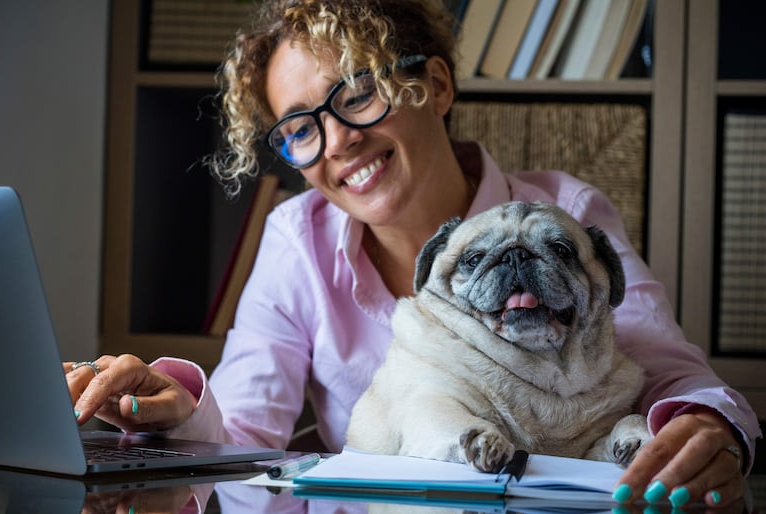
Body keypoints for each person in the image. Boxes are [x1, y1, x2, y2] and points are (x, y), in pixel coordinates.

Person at [67, 0, 760, 509]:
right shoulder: (296, 238)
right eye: (301, 129)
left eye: (359, 93)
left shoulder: (568, 214)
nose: (336, 142)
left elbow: (673, 375)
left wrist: (703, 428)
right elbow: (248, 437)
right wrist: (178, 408)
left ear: (435, 85)